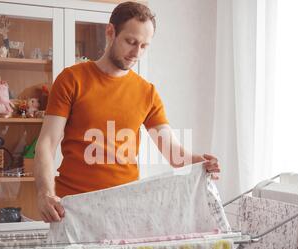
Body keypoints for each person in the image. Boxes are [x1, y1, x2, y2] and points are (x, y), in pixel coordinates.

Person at [34, 1, 220, 223]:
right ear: (110, 32)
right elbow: (46, 143)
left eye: (144, 46)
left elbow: (173, 152)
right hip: (73, 208)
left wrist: (198, 162)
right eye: (130, 42)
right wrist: (45, 192)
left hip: (125, 208)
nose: (136, 53)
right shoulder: (72, 79)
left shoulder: (147, 92)